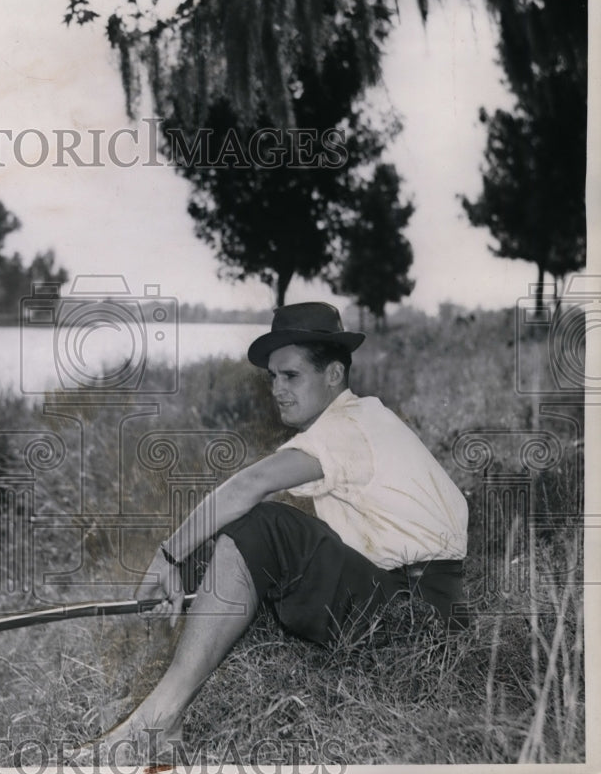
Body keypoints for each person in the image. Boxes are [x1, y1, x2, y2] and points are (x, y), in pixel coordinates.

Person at [83, 301, 469, 761]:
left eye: (291, 376)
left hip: (415, 611)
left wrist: (168, 555)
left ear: (333, 375)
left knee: (260, 526)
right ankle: (161, 711)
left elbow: (251, 485)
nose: (278, 390)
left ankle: (154, 723)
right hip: (413, 601)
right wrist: (192, 567)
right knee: (226, 541)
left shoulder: (348, 426)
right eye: (273, 378)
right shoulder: (361, 420)